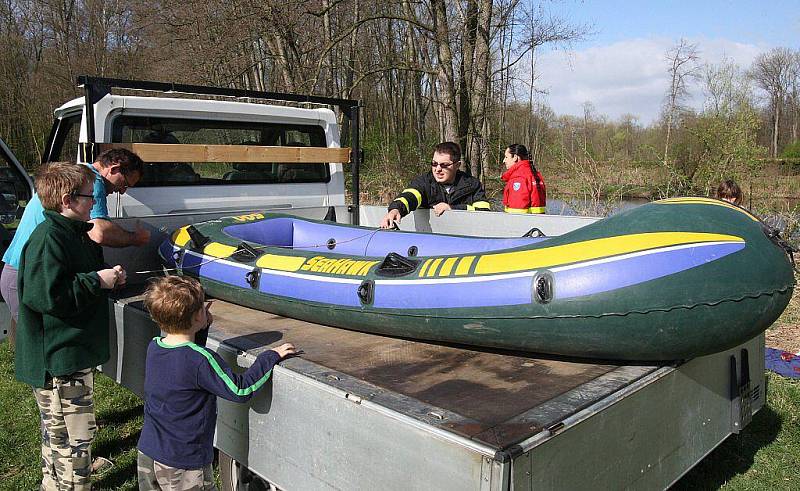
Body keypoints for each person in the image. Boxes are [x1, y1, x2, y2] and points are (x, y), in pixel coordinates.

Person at [14, 162, 128, 491]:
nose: (94, 200)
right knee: (74, 447)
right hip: (59, 362)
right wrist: (95, 281)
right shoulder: (49, 238)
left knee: (59, 439)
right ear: (67, 200)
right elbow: (43, 297)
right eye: (87, 195)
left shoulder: (74, 233)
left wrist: (107, 278)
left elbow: (77, 276)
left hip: (72, 357)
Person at [136, 275, 296, 491]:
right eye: (202, 308)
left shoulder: (155, 347)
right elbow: (240, 389)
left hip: (149, 452)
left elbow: (185, 363)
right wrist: (269, 357)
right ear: (195, 318)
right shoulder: (201, 360)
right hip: (183, 463)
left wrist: (200, 326)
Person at [0, 148, 149, 346]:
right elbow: (98, 232)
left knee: (35, 340)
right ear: (114, 169)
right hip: (29, 276)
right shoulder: (90, 182)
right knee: (45, 345)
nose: (122, 191)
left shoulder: (77, 176)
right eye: (124, 184)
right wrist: (134, 238)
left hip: (26, 273)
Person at [380, 142, 491, 228]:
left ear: (457, 165)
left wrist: (453, 208)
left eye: (444, 165)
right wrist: (395, 209)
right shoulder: (424, 182)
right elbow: (410, 196)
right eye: (434, 164)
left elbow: (484, 213)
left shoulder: (472, 184)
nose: (437, 169)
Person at [501, 144, 546, 214]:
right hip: (536, 223)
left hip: (519, 223)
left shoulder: (518, 178)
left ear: (515, 157)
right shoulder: (535, 174)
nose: (504, 160)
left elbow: (516, 211)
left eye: (506, 157)